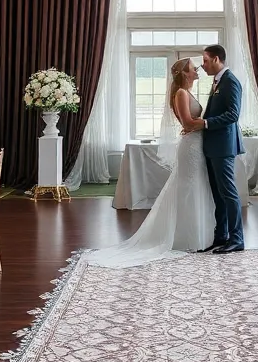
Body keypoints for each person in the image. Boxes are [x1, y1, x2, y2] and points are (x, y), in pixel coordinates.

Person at [86, 57, 214, 267]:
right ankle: (182, 236)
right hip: (190, 146)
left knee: (195, 186)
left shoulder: (188, 92)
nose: (197, 70)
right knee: (187, 186)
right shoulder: (181, 93)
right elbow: (187, 123)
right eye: (193, 68)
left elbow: (192, 123)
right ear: (184, 73)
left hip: (196, 144)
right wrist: (207, 123)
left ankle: (197, 234)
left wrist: (198, 124)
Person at [188, 44, 245, 253]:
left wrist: (204, 124)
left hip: (223, 147)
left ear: (216, 59)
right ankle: (221, 236)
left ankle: (237, 239)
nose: (202, 66)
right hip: (213, 146)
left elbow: (233, 115)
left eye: (204, 60)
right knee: (218, 195)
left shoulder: (230, 81)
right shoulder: (217, 81)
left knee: (229, 193)